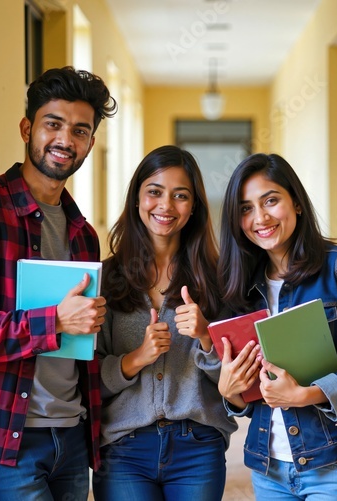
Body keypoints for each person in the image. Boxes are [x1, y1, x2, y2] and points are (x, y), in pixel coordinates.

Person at [0, 66, 116, 500]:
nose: (65, 141)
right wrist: (53, 321)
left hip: (70, 434)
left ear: (90, 143)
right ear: (26, 127)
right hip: (0, 435)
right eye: (53, 124)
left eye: (80, 131)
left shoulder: (83, 233)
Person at [215, 153, 337, 500]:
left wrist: (310, 394)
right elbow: (248, 390)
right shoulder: (240, 286)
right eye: (245, 208)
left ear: (297, 203)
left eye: (270, 201)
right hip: (268, 466)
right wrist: (230, 392)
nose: (260, 218)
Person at [91, 145, 235, 500]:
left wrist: (205, 338)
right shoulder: (106, 278)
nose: (166, 206)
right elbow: (87, 378)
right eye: (154, 192)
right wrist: (136, 358)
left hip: (198, 446)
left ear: (194, 206)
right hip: (123, 447)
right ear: (137, 199)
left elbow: (234, 384)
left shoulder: (218, 280)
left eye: (180, 196)